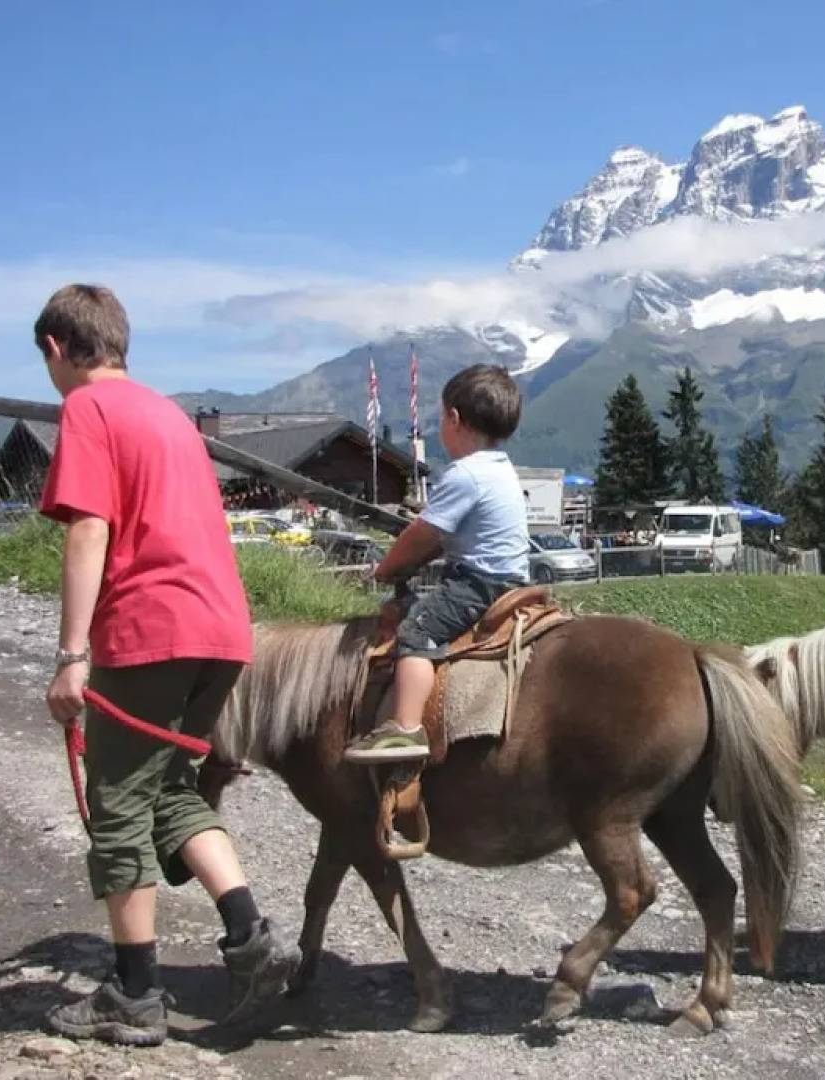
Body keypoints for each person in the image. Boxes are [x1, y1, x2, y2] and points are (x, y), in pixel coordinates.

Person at [34, 284, 301, 1047]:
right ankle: (251, 936)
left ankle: (134, 992)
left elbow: (89, 529)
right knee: (168, 792)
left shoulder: (88, 408)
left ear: (55, 348)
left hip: (150, 628)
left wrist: (72, 655)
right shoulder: (167, 414)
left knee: (118, 802)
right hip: (222, 632)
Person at [344, 364, 531, 764]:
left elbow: (422, 536)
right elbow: (441, 541)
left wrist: (386, 569)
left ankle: (404, 729)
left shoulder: (465, 474)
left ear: (454, 418)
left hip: (478, 583)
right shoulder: (500, 468)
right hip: (509, 579)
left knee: (416, 632)